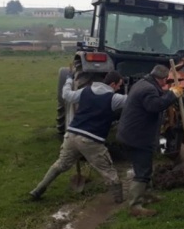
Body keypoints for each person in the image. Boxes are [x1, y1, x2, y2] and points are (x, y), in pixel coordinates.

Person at [30, 71, 127, 203]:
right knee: (108, 170)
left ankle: (38, 190)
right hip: (91, 141)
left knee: (60, 164)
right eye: (119, 85)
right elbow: (132, 100)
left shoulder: (85, 91)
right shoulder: (113, 98)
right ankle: (119, 201)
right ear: (113, 84)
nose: (119, 88)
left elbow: (66, 95)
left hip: (71, 135)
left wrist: (69, 80)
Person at [116, 65, 183, 217]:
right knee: (142, 172)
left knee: (145, 167)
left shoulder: (143, 83)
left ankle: (145, 196)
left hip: (131, 134)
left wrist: (167, 93)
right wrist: (172, 94)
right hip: (138, 137)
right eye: (166, 81)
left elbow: (157, 97)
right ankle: (135, 206)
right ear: (162, 79)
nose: (166, 84)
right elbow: (155, 106)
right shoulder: (148, 89)